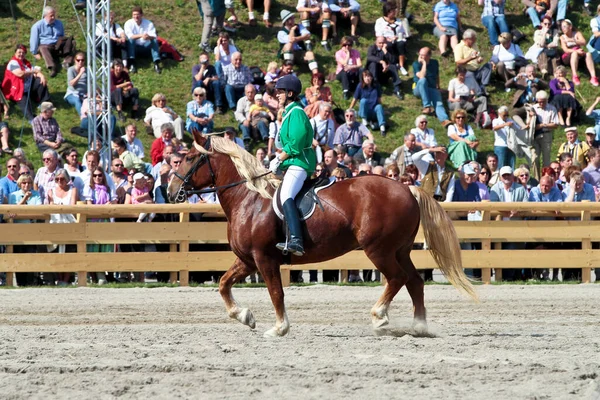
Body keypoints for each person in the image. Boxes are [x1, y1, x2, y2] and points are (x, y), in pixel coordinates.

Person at [268, 75, 317, 256]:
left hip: (300, 162)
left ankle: (296, 239)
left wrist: (279, 159)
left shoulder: (297, 112)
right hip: (292, 162)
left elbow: (295, 143)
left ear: (290, 93)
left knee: (286, 195)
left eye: (280, 92)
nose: (277, 95)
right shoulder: (289, 112)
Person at [489, 165, 529, 281]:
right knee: (503, 251)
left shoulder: (520, 189)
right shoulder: (495, 189)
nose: (506, 177)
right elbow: (492, 204)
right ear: (501, 177)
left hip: (516, 227)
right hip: (500, 227)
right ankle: (505, 277)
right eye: (504, 175)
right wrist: (504, 211)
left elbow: (526, 204)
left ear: (512, 176)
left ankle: (513, 277)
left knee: (515, 251)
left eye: (508, 175)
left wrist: (518, 210)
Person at [2, 44, 51, 122]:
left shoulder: (25, 62)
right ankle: (32, 119)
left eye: (23, 53)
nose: (21, 54)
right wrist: (33, 71)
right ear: (15, 53)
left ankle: (44, 102)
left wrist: (41, 75)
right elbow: (20, 74)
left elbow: (35, 71)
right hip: (17, 90)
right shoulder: (13, 63)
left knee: (40, 81)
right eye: (19, 52)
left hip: (28, 87)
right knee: (25, 104)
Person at [8, 173, 42, 286]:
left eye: (28, 183)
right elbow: (12, 213)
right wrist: (25, 199)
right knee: (19, 255)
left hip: (31, 230)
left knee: (31, 255)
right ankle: (20, 282)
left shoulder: (36, 194)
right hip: (18, 230)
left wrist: (21, 212)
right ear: (19, 184)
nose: (26, 185)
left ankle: (30, 281)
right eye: (24, 183)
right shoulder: (13, 195)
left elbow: (38, 211)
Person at [47, 168, 77, 286]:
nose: (60, 181)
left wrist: (59, 207)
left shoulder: (73, 190)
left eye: (62, 179)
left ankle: (65, 279)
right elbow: (50, 206)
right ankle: (59, 278)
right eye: (57, 179)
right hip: (56, 223)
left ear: (67, 179)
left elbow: (72, 206)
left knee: (69, 251)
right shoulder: (51, 191)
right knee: (55, 251)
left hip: (69, 222)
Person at [83, 167, 113, 284]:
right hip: (93, 221)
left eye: (100, 175)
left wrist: (109, 205)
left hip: (104, 220)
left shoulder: (107, 189)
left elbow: (112, 202)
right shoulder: (90, 189)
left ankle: (101, 274)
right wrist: (104, 207)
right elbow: (90, 205)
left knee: (104, 248)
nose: (97, 178)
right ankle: (94, 275)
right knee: (93, 248)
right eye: (95, 175)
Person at [29, 6, 75, 77]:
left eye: (54, 15)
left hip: (58, 44)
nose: (53, 17)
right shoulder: (37, 26)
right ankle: (52, 66)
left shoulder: (59, 23)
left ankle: (67, 62)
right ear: (45, 16)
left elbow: (62, 35)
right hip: (47, 45)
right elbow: (34, 40)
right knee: (43, 47)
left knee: (72, 42)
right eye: (51, 16)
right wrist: (34, 52)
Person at [412, 47, 451, 125]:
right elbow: (421, 76)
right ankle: (427, 106)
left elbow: (437, 75)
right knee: (423, 80)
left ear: (429, 56)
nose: (421, 56)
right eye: (420, 54)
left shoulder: (435, 63)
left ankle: (444, 120)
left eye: (423, 55)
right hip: (419, 89)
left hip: (432, 88)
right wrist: (424, 64)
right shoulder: (416, 64)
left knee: (438, 103)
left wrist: (438, 86)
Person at [527, 90, 559, 180]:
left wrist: (542, 125)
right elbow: (527, 124)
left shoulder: (552, 108)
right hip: (534, 136)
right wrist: (530, 117)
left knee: (546, 160)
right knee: (534, 158)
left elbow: (556, 124)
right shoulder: (533, 108)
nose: (541, 103)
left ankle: (546, 178)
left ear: (547, 100)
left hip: (546, 135)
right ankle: (537, 180)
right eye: (539, 101)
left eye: (543, 101)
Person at [277, 10, 319, 75]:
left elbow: (308, 35)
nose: (294, 19)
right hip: (287, 53)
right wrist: (292, 30)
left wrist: (297, 38)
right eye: (291, 18)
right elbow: (290, 40)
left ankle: (316, 75)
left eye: (293, 17)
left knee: (310, 54)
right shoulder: (281, 32)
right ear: (286, 21)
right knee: (288, 45)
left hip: (299, 52)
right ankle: (288, 70)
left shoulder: (299, 26)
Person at [559, 19, 598, 86]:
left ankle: (593, 77)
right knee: (575, 53)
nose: (563, 29)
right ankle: (574, 75)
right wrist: (576, 51)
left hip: (579, 54)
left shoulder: (577, 33)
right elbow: (565, 50)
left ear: (570, 26)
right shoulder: (562, 37)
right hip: (568, 56)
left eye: (565, 26)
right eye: (562, 27)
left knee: (588, 54)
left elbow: (584, 42)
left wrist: (572, 40)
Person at [374, 2, 410, 76]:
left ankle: (401, 66)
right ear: (388, 12)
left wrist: (398, 36)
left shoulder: (398, 21)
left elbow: (403, 32)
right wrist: (387, 39)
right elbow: (378, 35)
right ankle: (392, 64)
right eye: (393, 11)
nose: (395, 12)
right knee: (388, 45)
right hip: (386, 40)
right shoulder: (380, 21)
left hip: (397, 40)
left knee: (401, 43)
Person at [124, 6, 162, 74]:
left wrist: (148, 37)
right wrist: (141, 35)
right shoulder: (128, 23)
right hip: (134, 47)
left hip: (146, 46)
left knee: (154, 40)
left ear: (141, 15)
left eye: (137, 14)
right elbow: (130, 36)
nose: (136, 16)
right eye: (134, 15)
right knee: (130, 40)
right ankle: (132, 63)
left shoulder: (148, 23)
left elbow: (154, 35)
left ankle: (156, 63)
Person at [454, 29, 491, 97]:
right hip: (467, 71)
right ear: (467, 39)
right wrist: (470, 58)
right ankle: (480, 92)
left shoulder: (474, 45)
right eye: (473, 39)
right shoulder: (459, 47)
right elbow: (458, 62)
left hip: (477, 69)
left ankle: (483, 85)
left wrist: (479, 60)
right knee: (470, 75)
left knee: (488, 65)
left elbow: (477, 57)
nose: (475, 40)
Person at [349, 70, 387, 135]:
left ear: (372, 77)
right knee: (363, 100)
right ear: (363, 78)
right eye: (365, 77)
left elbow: (379, 99)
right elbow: (354, 99)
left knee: (379, 106)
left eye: (369, 76)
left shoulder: (376, 85)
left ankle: (382, 127)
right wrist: (349, 109)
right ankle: (364, 121)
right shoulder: (360, 86)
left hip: (373, 111)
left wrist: (382, 110)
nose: (367, 78)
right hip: (364, 111)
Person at [235, 84, 268, 149]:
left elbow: (268, 113)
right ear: (245, 93)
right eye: (248, 92)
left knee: (261, 123)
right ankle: (247, 143)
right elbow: (238, 113)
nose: (250, 94)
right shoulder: (241, 101)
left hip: (258, 121)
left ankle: (266, 141)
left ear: (255, 92)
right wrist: (244, 120)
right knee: (244, 125)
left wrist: (260, 113)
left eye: (252, 92)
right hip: (247, 122)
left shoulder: (260, 100)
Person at [64, 52, 87, 116]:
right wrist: (80, 73)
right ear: (75, 60)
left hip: (84, 94)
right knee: (77, 101)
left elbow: (91, 83)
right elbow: (72, 84)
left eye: (82, 60)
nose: (80, 62)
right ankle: (83, 117)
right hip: (72, 94)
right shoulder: (71, 70)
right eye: (78, 60)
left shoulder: (87, 70)